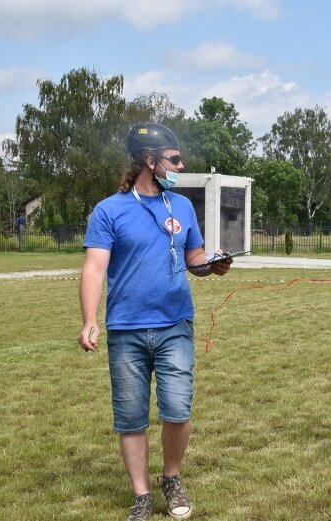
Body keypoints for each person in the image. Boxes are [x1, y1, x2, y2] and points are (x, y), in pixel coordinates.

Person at [78, 122, 233, 520]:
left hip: (174, 325)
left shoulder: (181, 207)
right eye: (174, 159)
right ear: (151, 162)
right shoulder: (109, 210)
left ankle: (172, 478)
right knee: (130, 416)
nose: (181, 165)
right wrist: (89, 320)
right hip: (126, 329)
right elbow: (94, 269)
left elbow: (193, 259)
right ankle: (142, 495)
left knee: (177, 409)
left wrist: (213, 266)